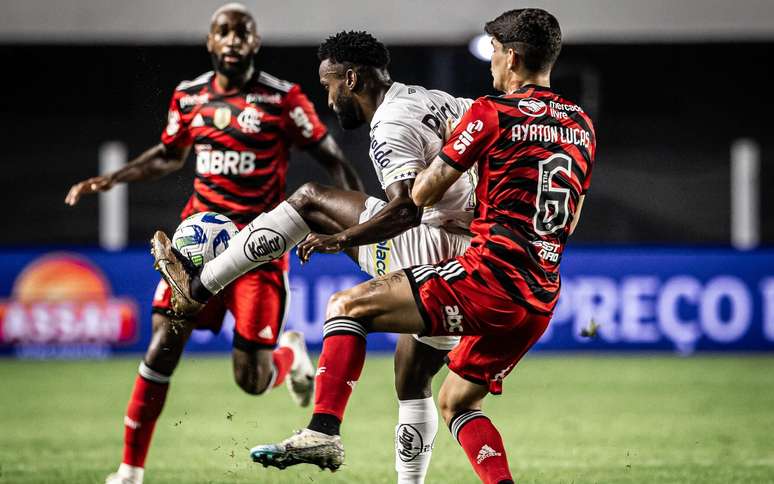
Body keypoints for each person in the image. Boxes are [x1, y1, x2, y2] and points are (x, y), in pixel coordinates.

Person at [245, 8, 597, 484]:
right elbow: (569, 221)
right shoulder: (581, 126)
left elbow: (421, 195)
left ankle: (324, 430)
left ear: (512, 57)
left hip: (486, 277)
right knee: (455, 401)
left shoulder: (490, 113)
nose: (490, 61)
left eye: (494, 50)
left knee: (347, 305)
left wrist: (444, 162)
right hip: (540, 292)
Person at [151, 30, 478, 484]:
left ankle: (199, 287)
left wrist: (342, 238)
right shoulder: (438, 100)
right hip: (472, 262)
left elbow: (405, 211)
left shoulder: (390, 123)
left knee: (308, 201)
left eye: (327, 86)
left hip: (430, 246)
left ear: (351, 78)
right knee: (412, 375)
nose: (327, 99)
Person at [64, 4, 362, 484]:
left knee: (252, 381)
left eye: (242, 33)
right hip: (195, 249)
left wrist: (354, 225)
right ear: (210, 42)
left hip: (258, 249)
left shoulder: (282, 100)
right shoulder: (189, 97)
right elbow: (168, 154)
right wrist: (112, 178)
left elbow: (331, 158)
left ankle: (290, 357)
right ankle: (129, 471)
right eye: (223, 32)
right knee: (163, 344)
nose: (232, 40)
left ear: (255, 43)